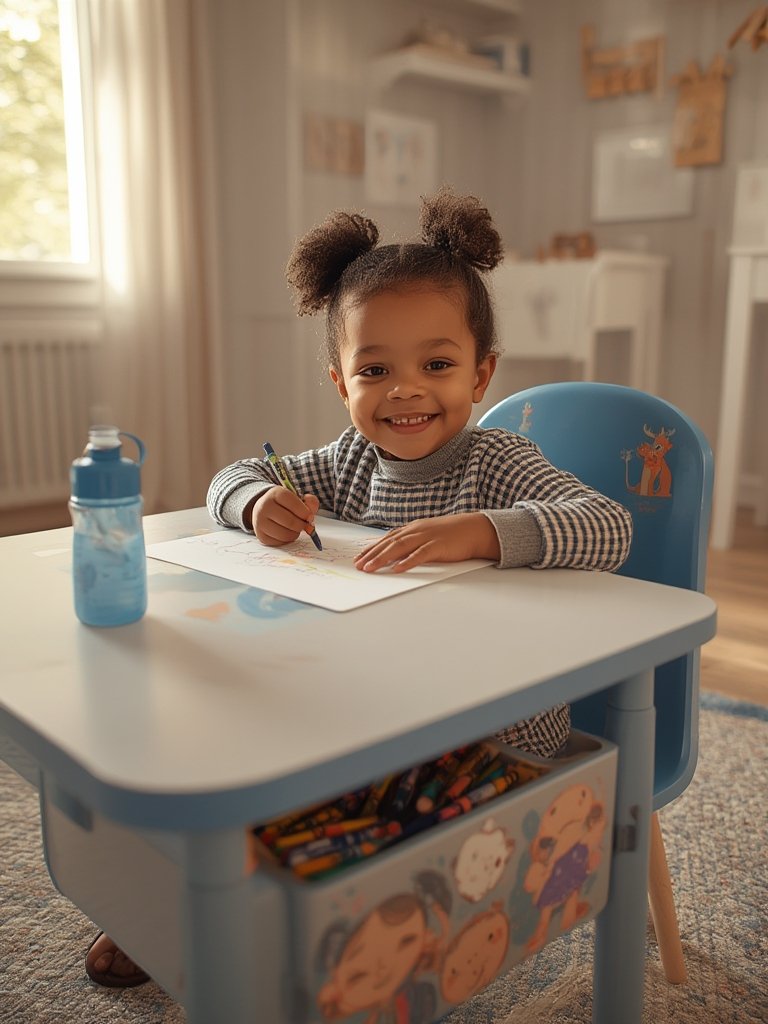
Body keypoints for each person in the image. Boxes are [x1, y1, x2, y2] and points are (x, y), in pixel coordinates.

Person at [84, 186, 632, 988]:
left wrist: (482, 531)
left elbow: (610, 525)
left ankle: (268, 925)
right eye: (375, 369)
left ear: (481, 375)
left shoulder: (499, 463)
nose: (405, 389)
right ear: (342, 384)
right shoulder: (346, 460)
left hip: (491, 728)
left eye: (436, 365)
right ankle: (173, 910)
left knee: (302, 787)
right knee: (226, 738)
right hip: (366, 706)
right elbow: (230, 476)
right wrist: (258, 501)